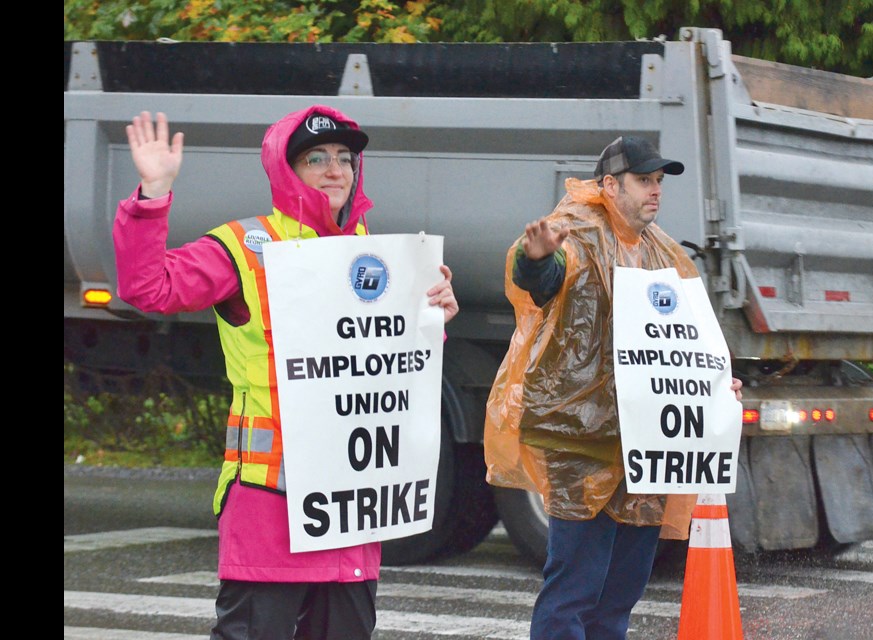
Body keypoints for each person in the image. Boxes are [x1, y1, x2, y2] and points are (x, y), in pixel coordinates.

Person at [112, 106, 459, 640]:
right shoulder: (245, 247)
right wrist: (153, 194)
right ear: (284, 169)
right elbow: (148, 288)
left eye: (345, 158)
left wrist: (434, 315)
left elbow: (391, 372)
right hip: (270, 505)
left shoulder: (378, 256)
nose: (335, 169)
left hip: (351, 509)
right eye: (315, 158)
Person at [483, 136, 743, 640]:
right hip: (580, 442)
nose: (656, 191)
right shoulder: (578, 234)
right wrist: (536, 259)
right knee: (575, 588)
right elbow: (545, 279)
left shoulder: (660, 251)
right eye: (644, 180)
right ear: (608, 184)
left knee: (621, 593)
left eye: (659, 182)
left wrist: (711, 386)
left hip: (644, 446)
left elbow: (684, 340)